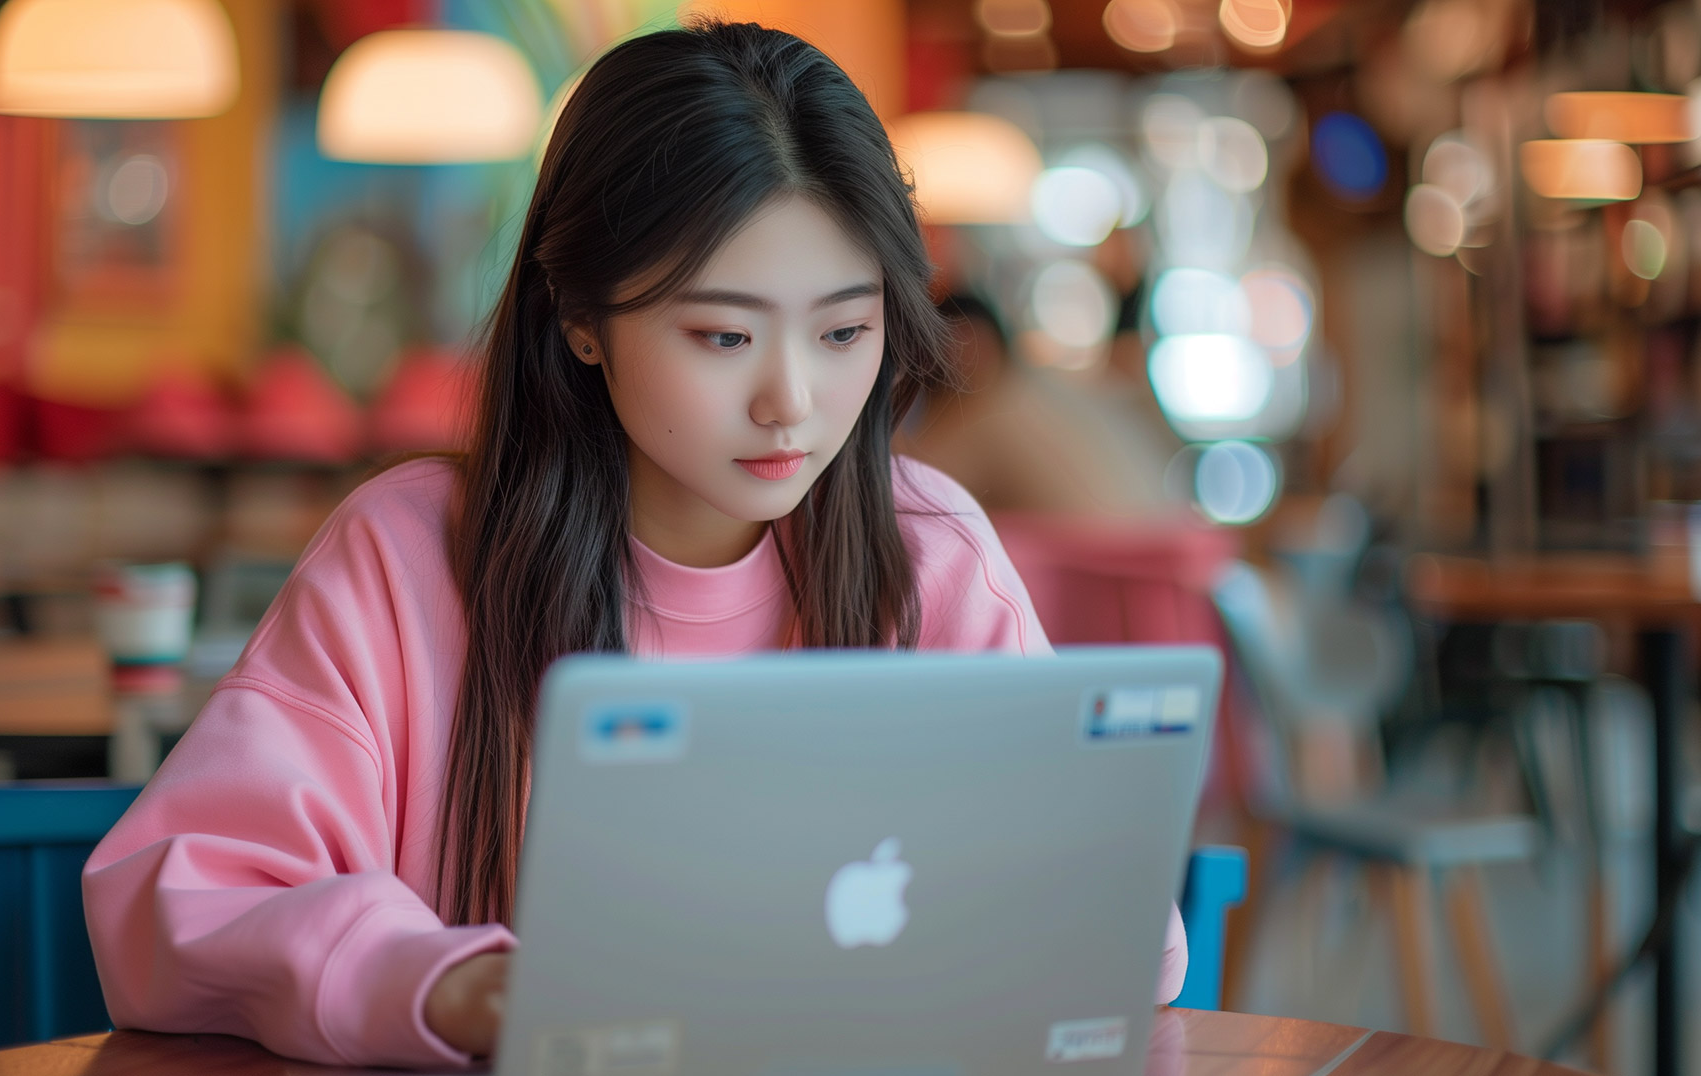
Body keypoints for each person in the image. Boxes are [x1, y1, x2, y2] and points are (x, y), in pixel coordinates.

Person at [82, 21, 1186, 1070]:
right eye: (722, 335)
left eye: (846, 331)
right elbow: (177, 896)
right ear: (579, 316)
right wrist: (445, 983)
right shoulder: (408, 554)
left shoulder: (928, 552)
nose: (791, 401)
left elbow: (1126, 927)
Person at [899, 293, 1184, 519]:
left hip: (1110, 573)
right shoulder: (1047, 389)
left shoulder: (991, 411)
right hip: (1164, 550)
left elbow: (906, 487)